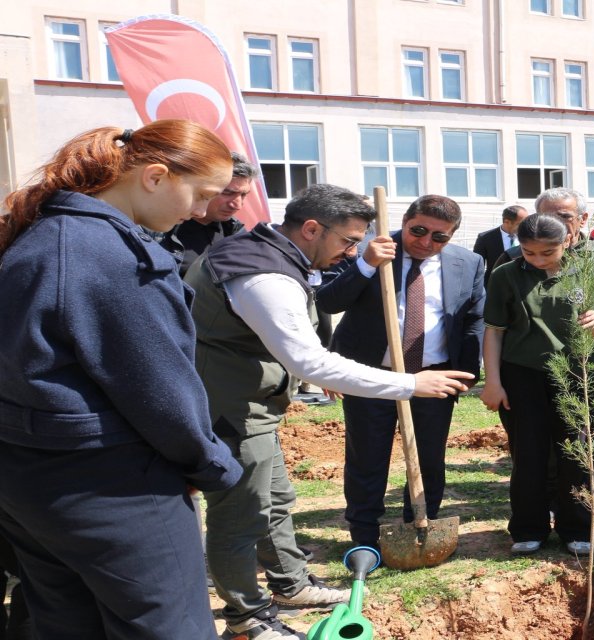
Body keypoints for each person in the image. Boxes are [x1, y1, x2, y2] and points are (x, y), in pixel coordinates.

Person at [187, 184, 474, 640]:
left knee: (274, 500)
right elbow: (310, 360)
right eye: (346, 241)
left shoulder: (268, 254)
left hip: (254, 403)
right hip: (231, 407)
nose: (351, 251)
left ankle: (291, 584)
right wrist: (410, 384)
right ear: (312, 228)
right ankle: (246, 618)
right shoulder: (263, 273)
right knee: (240, 513)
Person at [0, 120, 242, 639]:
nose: (200, 212)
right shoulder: (112, 258)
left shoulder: (41, 234)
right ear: (154, 176)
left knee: (66, 624)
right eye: (201, 195)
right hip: (112, 488)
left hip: (27, 481)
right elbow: (161, 393)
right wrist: (210, 465)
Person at [316, 195, 485, 547]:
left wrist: (465, 374)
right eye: (418, 231)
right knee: (367, 457)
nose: (425, 242)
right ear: (405, 221)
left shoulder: (468, 263)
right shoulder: (367, 248)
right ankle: (364, 534)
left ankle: (422, 525)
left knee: (429, 456)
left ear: (452, 236)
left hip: (433, 376)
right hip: (371, 374)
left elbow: (473, 320)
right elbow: (328, 302)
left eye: (439, 237)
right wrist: (366, 264)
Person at [481, 213, 594, 554]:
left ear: (567, 240)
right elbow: (494, 331)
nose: (537, 259)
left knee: (576, 453)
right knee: (529, 453)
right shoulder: (505, 275)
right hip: (523, 375)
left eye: (547, 252)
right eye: (529, 252)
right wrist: (492, 382)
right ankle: (528, 527)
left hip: (576, 373)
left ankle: (576, 528)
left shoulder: (587, 272)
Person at [160, 151, 255, 277]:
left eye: (243, 194)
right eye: (227, 192)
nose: (237, 205)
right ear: (202, 188)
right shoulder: (159, 231)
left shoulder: (235, 231)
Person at [472, 204, 528, 284]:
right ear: (507, 222)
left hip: (523, 285)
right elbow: (477, 267)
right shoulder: (485, 238)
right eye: (520, 224)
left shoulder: (529, 236)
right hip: (496, 285)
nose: (525, 227)